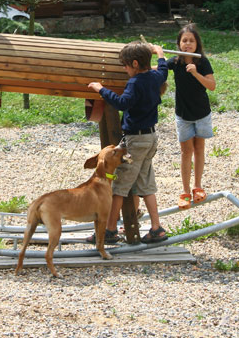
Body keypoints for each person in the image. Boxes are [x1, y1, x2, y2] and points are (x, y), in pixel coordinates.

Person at [87, 41, 169, 244]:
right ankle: (156, 228)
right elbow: (164, 70)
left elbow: (122, 103)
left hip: (135, 141)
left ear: (134, 63)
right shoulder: (155, 76)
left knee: (119, 187)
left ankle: (109, 230)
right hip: (150, 138)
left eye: (125, 65)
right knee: (146, 185)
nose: (124, 69)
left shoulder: (135, 83)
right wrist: (160, 52)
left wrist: (101, 89)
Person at [166, 24, 216, 209]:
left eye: (191, 41)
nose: (187, 44)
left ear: (197, 44)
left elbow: (212, 86)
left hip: (202, 113)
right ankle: (185, 191)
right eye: (184, 40)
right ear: (179, 43)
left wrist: (195, 73)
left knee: (199, 149)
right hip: (183, 114)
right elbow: (158, 67)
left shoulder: (202, 62)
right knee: (186, 152)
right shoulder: (175, 61)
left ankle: (198, 187)